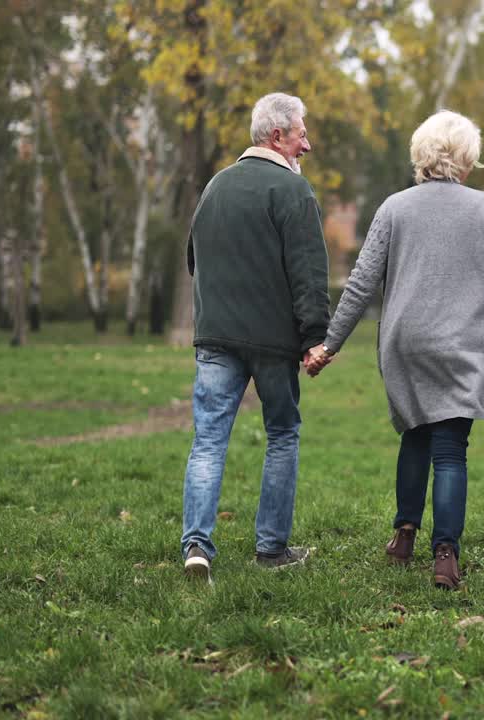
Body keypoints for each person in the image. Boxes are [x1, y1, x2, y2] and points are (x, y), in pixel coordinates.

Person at [306, 111, 484, 590]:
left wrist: (328, 345)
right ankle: (445, 553)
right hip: (464, 343)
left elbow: (360, 283)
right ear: (465, 157)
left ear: (421, 153)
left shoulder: (393, 208)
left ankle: (403, 534)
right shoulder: (481, 207)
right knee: (450, 450)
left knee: (415, 433)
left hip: (406, 344)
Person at [180, 92, 330, 582]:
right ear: (278, 135)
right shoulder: (292, 192)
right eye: (302, 133)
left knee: (208, 440)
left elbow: (193, 259)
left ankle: (197, 546)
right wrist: (315, 337)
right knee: (282, 434)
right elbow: (308, 272)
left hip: (216, 336)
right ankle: (271, 550)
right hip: (271, 342)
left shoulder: (216, 186)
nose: (307, 144)